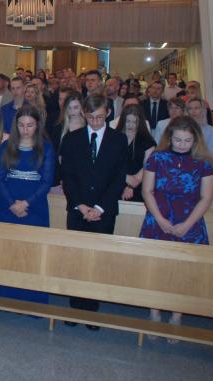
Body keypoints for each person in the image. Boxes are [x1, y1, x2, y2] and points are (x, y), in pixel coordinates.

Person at [140, 116, 213, 337]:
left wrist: (187, 224)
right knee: (156, 269)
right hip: (158, 219)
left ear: (195, 140)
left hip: (190, 222)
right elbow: (147, 191)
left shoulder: (204, 163)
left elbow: (206, 198)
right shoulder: (157, 158)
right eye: (178, 140)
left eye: (187, 140)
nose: (182, 144)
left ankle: (177, 315)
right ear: (170, 138)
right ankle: (154, 313)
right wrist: (160, 219)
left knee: (183, 273)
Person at [59, 94, 127, 326]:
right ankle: (75, 306)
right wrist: (80, 204)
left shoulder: (118, 140)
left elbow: (118, 178)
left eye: (99, 117)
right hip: (77, 208)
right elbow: (68, 176)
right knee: (76, 258)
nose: (95, 122)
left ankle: (92, 309)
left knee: (98, 260)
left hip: (104, 210)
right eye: (90, 117)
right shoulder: (72, 139)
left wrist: (99, 207)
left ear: (108, 113)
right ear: (83, 114)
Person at [0, 105, 55, 303]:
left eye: (30, 125)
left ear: (37, 125)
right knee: (4, 253)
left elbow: (46, 181)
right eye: (21, 125)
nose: (25, 129)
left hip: (35, 208)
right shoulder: (6, 146)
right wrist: (12, 204)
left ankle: (31, 301)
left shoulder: (46, 148)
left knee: (31, 256)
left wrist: (26, 203)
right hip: (7, 207)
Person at [116, 105, 156, 203]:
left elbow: (146, 168)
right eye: (128, 121)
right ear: (123, 121)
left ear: (140, 122)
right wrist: (124, 177)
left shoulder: (148, 142)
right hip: (115, 182)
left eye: (135, 122)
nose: (131, 125)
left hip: (138, 186)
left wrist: (131, 186)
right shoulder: (113, 138)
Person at [50, 91, 84, 187]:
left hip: (83, 175)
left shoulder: (88, 128)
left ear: (82, 107)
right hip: (62, 175)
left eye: (76, 107)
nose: (72, 111)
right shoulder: (58, 128)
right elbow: (54, 154)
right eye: (69, 108)